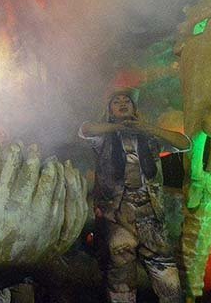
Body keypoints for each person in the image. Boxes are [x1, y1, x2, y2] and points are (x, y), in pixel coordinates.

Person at [80, 88, 190, 303]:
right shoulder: (103, 137)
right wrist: (118, 126)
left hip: (151, 216)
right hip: (118, 216)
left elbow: (185, 144)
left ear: (135, 108)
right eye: (116, 102)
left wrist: (148, 128)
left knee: (168, 278)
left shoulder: (150, 137)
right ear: (109, 110)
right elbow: (86, 129)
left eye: (126, 101)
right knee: (121, 276)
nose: (122, 103)